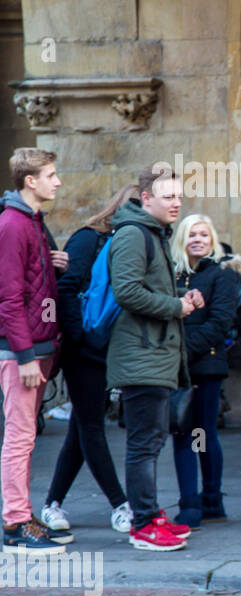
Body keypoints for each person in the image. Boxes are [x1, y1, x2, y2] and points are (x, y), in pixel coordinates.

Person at [107, 167, 200, 552]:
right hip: (141, 356)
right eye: (168, 196)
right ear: (146, 199)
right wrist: (175, 306)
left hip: (155, 355)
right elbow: (127, 291)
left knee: (152, 440)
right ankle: (143, 524)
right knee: (143, 444)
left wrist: (182, 300)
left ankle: (151, 513)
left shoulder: (154, 234)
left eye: (179, 196)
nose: (176, 202)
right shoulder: (133, 235)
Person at [42, 184, 136, 535]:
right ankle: (120, 504)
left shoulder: (135, 242)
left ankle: (52, 503)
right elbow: (66, 289)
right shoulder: (89, 239)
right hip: (84, 351)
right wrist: (81, 338)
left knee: (82, 427)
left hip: (107, 349)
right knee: (91, 427)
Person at [1, 148, 70, 553]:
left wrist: (51, 263)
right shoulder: (13, 224)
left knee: (27, 437)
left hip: (37, 346)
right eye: (51, 174)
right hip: (19, 353)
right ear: (31, 181)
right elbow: (8, 298)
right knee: (20, 437)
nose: (57, 181)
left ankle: (24, 515)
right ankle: (15, 524)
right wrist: (25, 356)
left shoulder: (32, 222)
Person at [171, 214, 239, 528]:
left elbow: (220, 323)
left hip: (205, 366)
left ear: (211, 240)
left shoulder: (221, 275)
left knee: (203, 433)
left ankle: (212, 498)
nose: (198, 239)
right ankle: (190, 502)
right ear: (182, 240)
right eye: (192, 234)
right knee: (182, 432)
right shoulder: (172, 276)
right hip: (175, 367)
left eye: (204, 235)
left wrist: (183, 349)